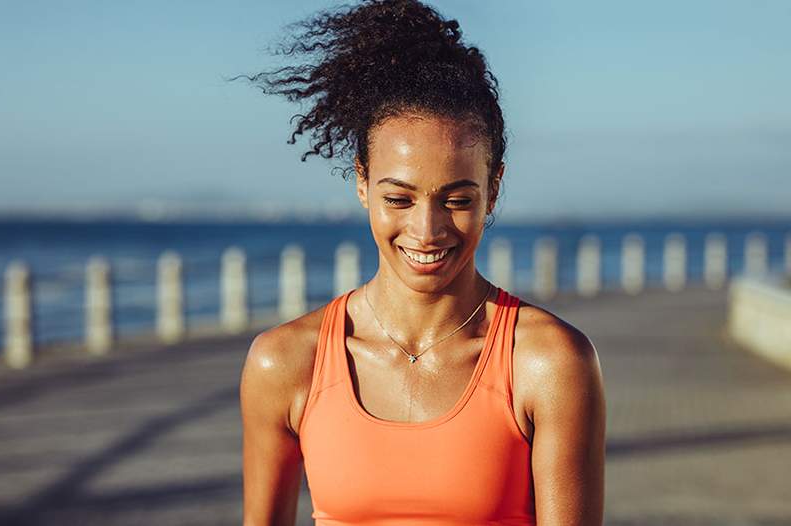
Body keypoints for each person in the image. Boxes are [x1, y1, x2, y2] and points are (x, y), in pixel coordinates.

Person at [239, 1, 606, 524]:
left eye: (456, 200)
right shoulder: (284, 363)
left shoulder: (549, 363)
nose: (427, 230)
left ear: (493, 188)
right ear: (363, 181)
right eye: (399, 199)